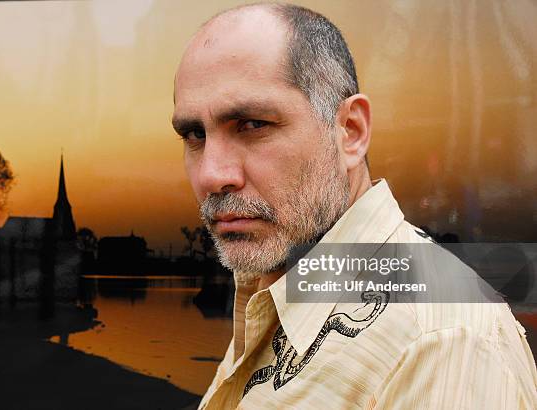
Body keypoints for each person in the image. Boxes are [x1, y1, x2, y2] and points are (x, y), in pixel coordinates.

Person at [171, 3, 537, 409]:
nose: (210, 174)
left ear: (350, 131)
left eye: (253, 124)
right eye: (194, 134)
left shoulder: (444, 343)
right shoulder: (279, 284)